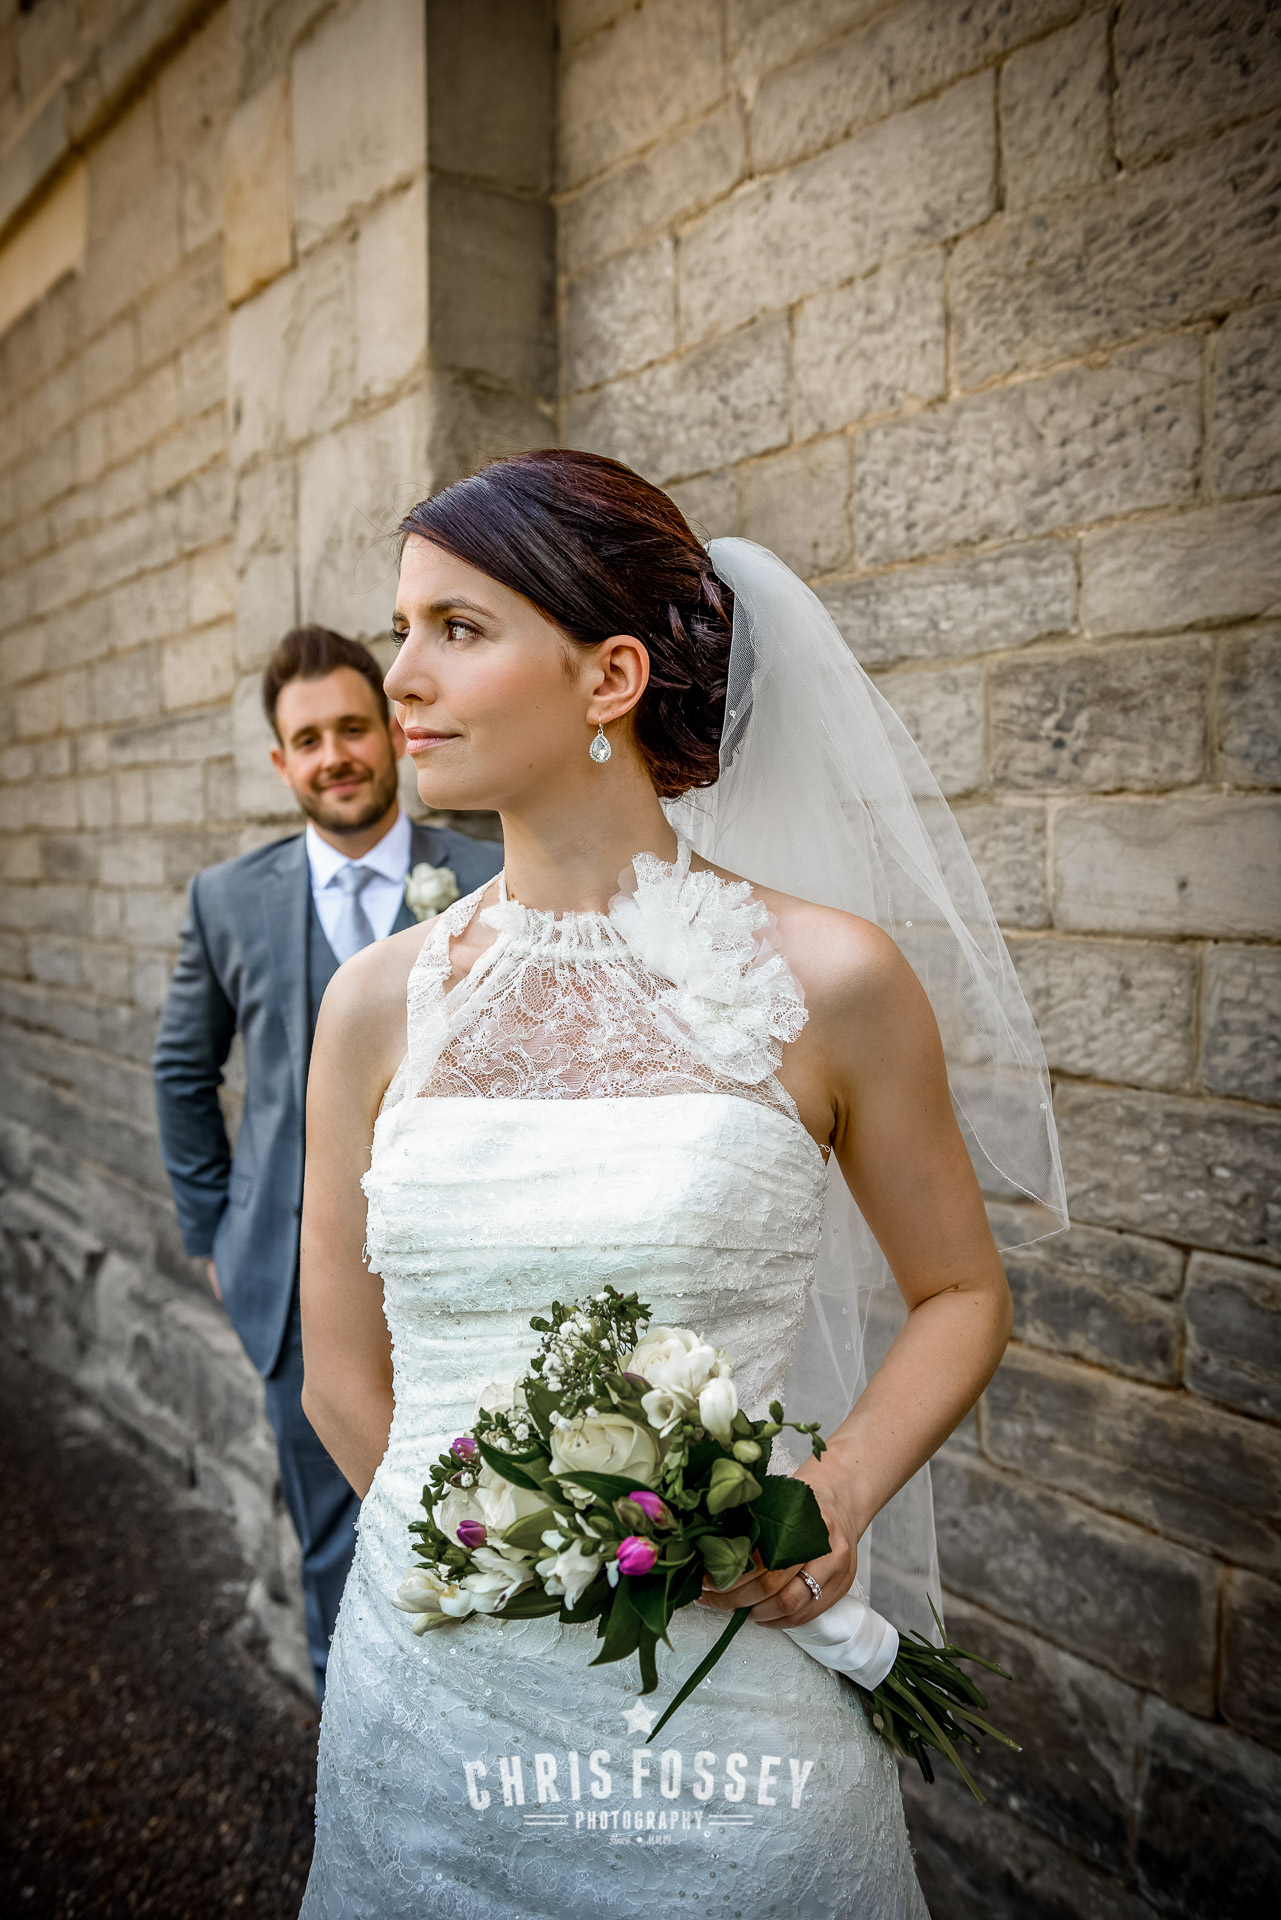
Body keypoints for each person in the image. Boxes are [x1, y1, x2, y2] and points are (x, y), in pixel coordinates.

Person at [297, 452, 1064, 1916]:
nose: (401, 676)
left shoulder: (830, 980)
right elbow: (342, 1378)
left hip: (726, 1704)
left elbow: (963, 1291)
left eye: (457, 629)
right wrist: (490, 1568)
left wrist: (832, 1496)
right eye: (401, 627)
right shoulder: (378, 1007)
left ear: (611, 677)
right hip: (431, 1707)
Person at [152, 626, 503, 1701]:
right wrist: (213, 1235)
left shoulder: (491, 870)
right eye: (308, 739)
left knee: (496, 1519)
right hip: (299, 1287)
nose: (335, 754)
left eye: (354, 727)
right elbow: (181, 1076)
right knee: (334, 1541)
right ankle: (349, 1728)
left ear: (392, 734)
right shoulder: (229, 899)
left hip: (470, 1273)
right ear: (282, 762)